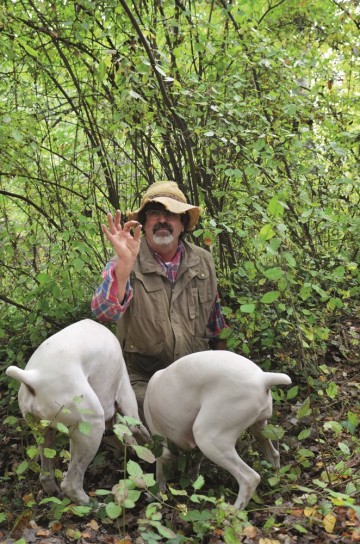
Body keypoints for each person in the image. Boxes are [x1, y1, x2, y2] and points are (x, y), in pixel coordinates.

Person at [91, 181, 228, 415]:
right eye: (155, 213)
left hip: (196, 373)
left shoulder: (203, 260)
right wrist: (124, 266)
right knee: (168, 416)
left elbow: (215, 325)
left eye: (172, 213)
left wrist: (225, 374)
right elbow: (103, 312)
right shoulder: (125, 260)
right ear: (144, 223)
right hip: (143, 379)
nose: (163, 220)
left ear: (183, 223)